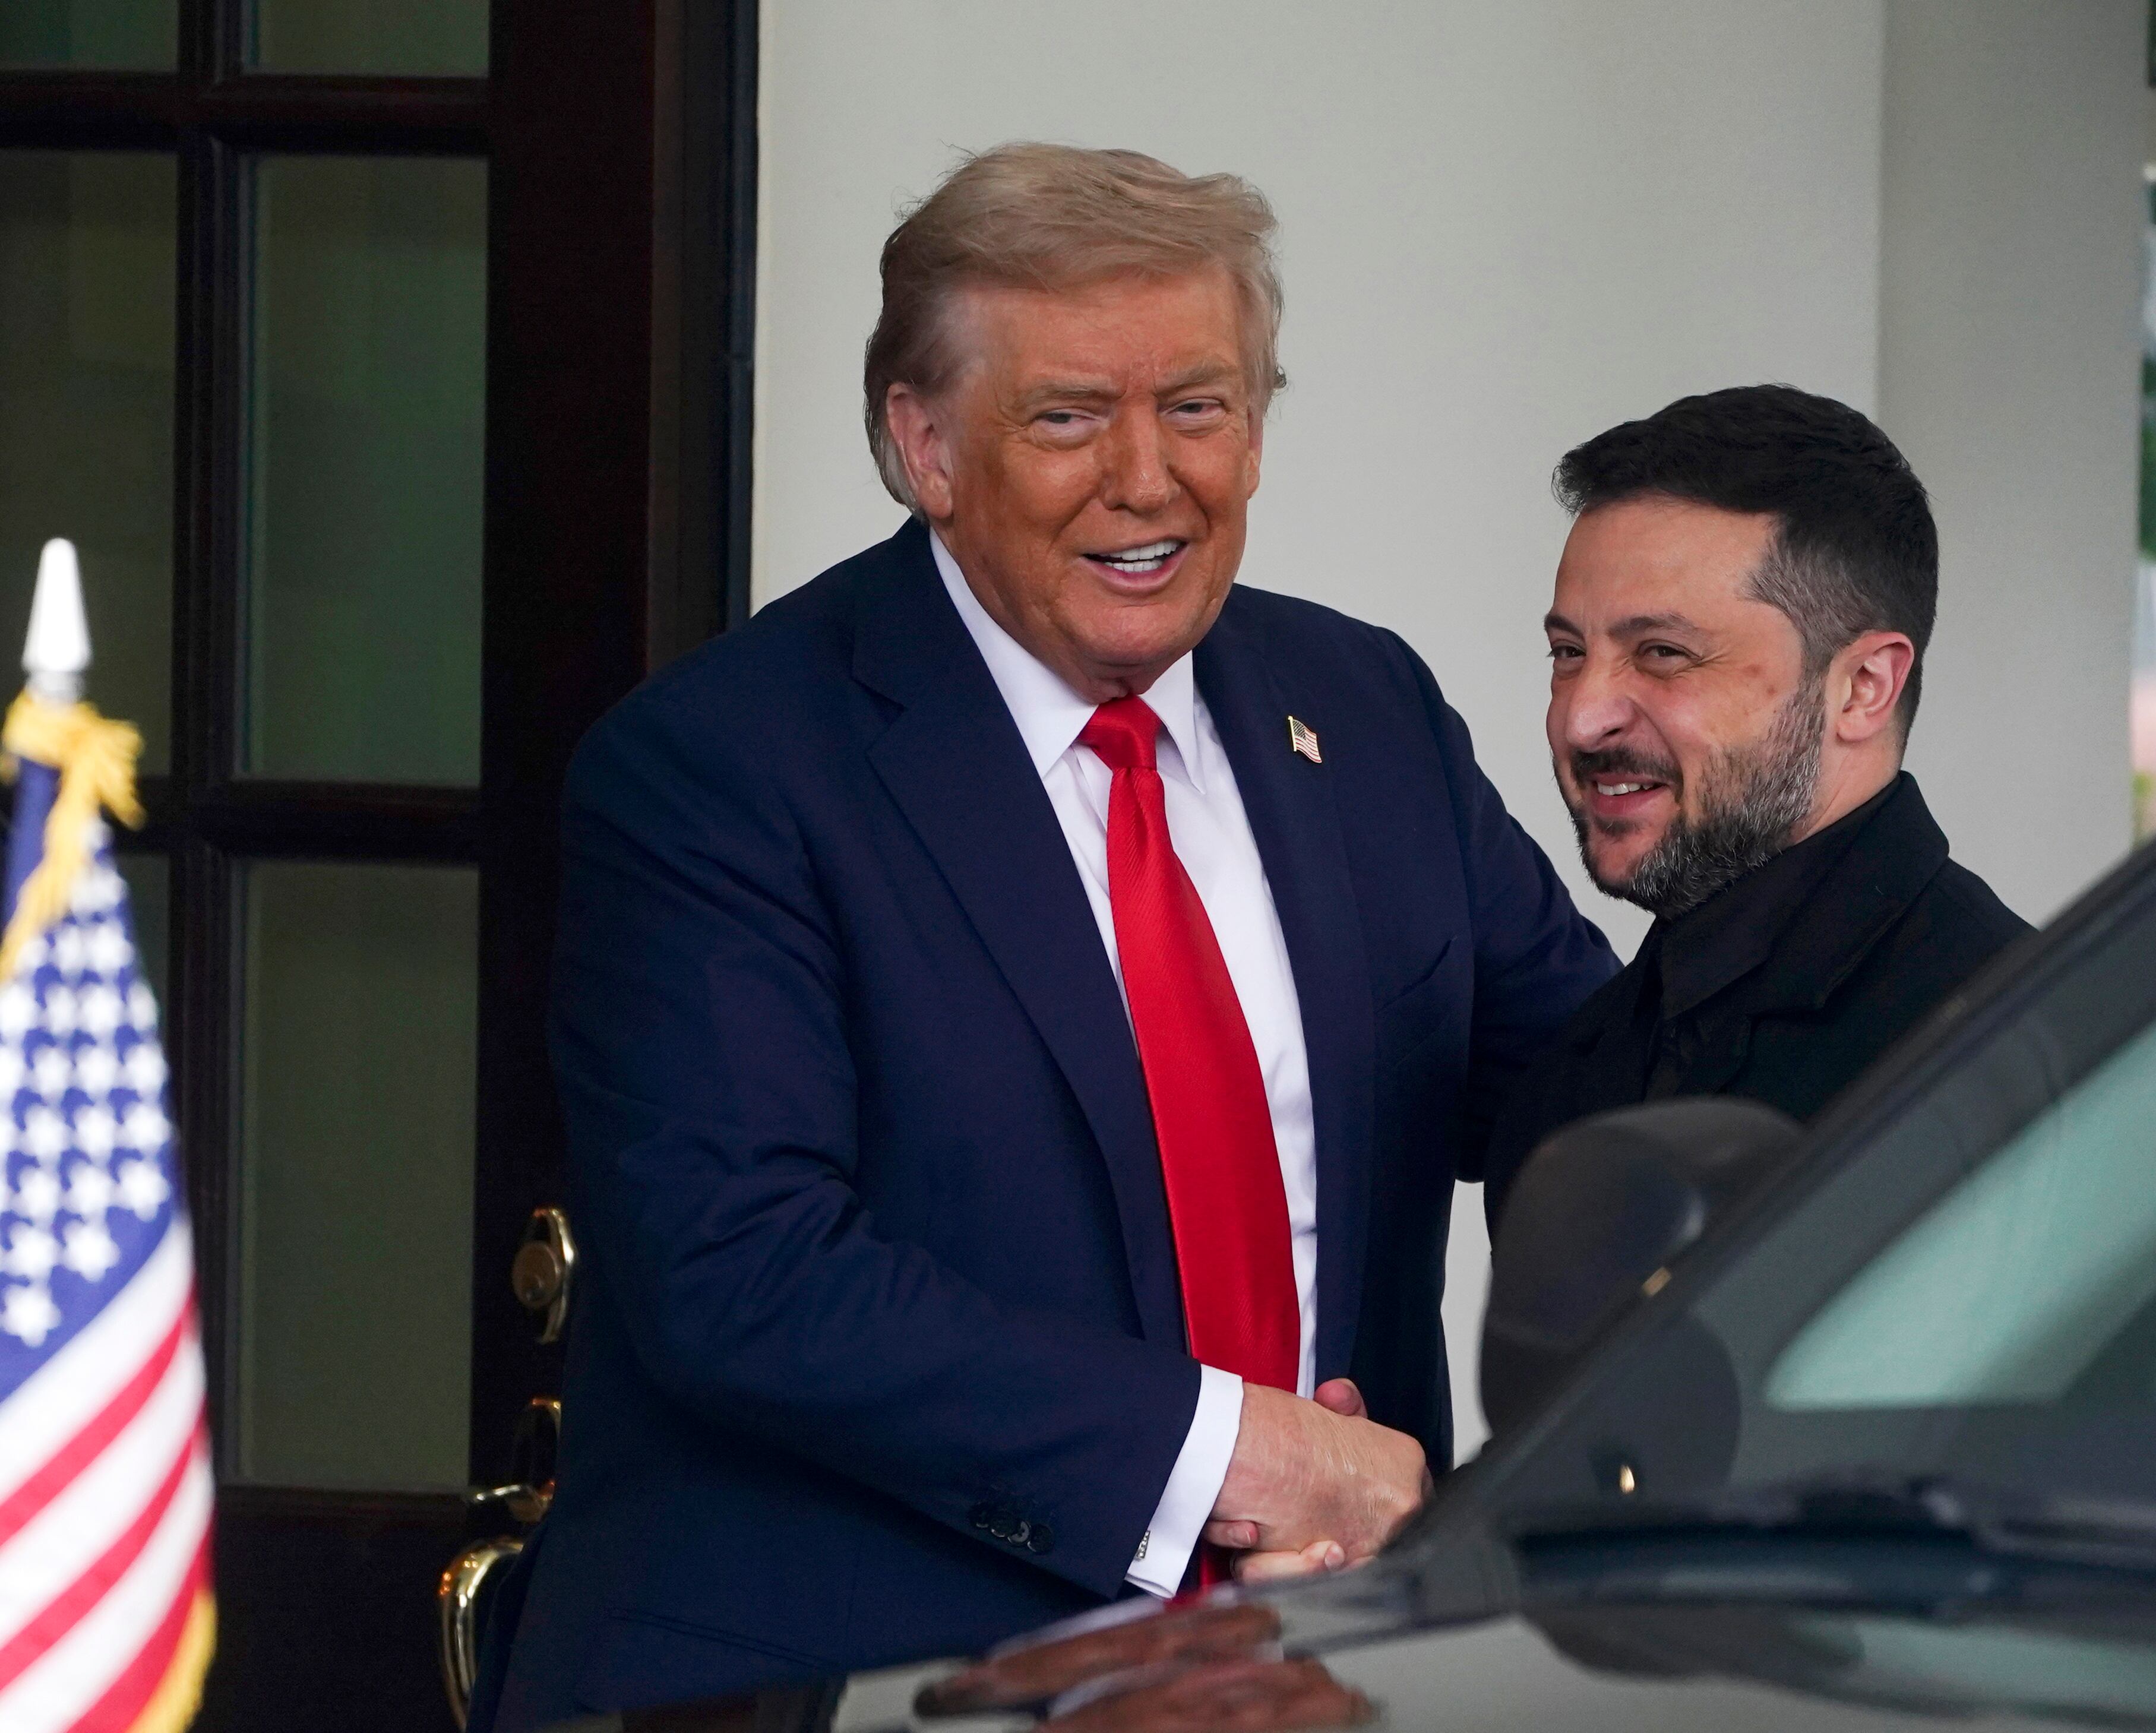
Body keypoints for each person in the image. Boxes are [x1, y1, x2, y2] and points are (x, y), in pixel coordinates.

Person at [476, 144, 1616, 1729]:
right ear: (923, 444)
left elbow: (1596, 1099)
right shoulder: (717, 770)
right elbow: (744, 1273)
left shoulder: (1364, 712)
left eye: (1200, 406)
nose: (1148, 478)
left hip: (1314, 1676)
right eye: (1069, 415)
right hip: (855, 1680)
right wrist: (1247, 1453)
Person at [1482, 385, 2029, 1228]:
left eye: (1661, 653)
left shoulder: (2039, 1066)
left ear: (1862, 687)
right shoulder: (1573, 1074)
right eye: (1567, 652)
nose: (1581, 716)